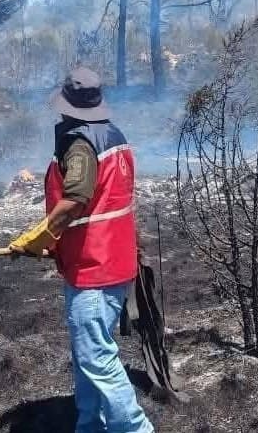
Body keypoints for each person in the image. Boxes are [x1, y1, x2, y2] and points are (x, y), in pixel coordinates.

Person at [9, 67, 154, 433]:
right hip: (113, 260)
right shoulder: (114, 136)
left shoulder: (79, 146)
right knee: (87, 352)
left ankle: (134, 428)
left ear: (67, 107)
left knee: (96, 357)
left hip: (95, 267)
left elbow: (75, 199)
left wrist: (39, 238)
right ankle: (89, 425)